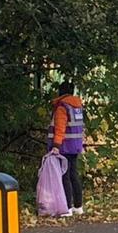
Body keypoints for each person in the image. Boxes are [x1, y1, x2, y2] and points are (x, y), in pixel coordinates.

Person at [48, 82, 85, 216]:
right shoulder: (77, 106)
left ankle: (67, 208)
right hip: (75, 146)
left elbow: (60, 128)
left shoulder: (62, 107)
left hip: (64, 146)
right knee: (74, 175)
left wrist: (56, 146)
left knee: (65, 176)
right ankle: (78, 206)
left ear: (60, 91)